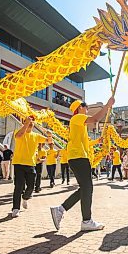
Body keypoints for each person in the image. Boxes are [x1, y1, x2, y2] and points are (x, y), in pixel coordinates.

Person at [50, 97, 114, 231]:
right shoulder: (77, 118)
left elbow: (85, 143)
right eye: (86, 106)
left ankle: (60, 210)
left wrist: (97, 142)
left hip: (79, 158)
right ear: (79, 108)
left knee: (85, 189)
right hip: (78, 158)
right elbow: (95, 119)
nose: (87, 109)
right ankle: (86, 220)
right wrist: (107, 105)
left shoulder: (79, 124)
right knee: (87, 188)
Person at [11, 116, 52, 217]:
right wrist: (26, 123)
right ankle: (15, 208)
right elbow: (19, 135)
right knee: (18, 187)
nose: (30, 123)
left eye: (32, 121)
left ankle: (25, 198)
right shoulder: (18, 131)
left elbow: (49, 141)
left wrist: (50, 135)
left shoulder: (36, 136)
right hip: (19, 163)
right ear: (23, 122)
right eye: (28, 121)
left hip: (31, 164)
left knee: (31, 187)